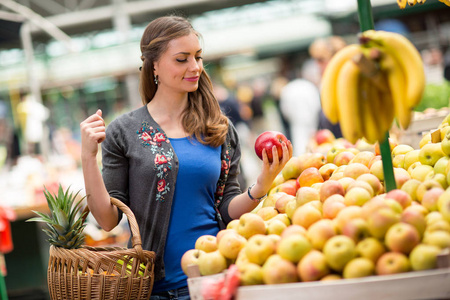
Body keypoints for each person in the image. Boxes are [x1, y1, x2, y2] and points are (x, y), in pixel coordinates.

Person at [80, 15, 292, 300]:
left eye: (198, 57)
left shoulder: (219, 129)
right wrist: (87, 155)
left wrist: (263, 184)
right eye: (182, 59)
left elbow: (227, 208)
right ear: (154, 64)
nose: (195, 67)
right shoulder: (124, 131)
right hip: (153, 289)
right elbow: (107, 220)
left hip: (216, 278)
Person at [308, 36, 347, 139]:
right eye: (315, 60)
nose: (317, 65)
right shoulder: (325, 85)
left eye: (321, 60)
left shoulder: (348, 85)